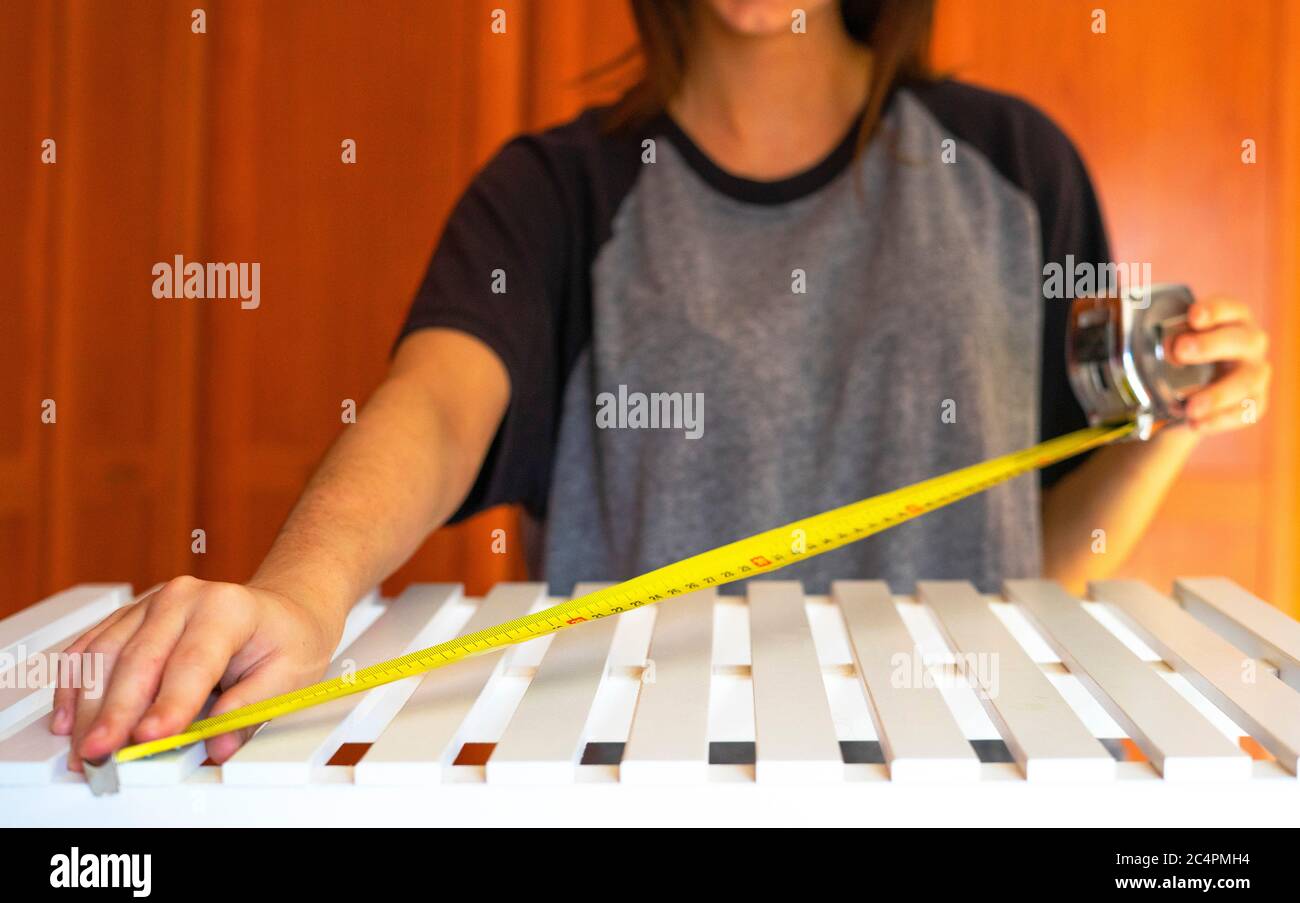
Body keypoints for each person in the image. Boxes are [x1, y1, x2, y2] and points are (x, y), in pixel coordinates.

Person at [55, 0, 1272, 771]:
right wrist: (301, 593)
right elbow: (434, 403)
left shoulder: (1013, 169)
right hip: (644, 791)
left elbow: (1034, 564)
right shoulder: (553, 196)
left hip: (969, 782)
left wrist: (1169, 419)